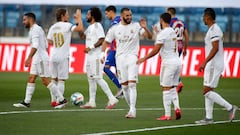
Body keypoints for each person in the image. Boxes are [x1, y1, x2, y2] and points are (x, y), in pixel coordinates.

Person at [101, 7, 152, 118]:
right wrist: (102, 54)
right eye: (127, 15)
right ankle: (131, 109)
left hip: (132, 57)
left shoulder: (136, 26)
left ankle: (133, 110)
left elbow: (149, 37)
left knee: (132, 84)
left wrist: (146, 28)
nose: (129, 17)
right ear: (122, 16)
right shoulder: (115, 28)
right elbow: (106, 41)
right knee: (124, 87)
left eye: (130, 15)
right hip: (120, 59)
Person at [13, 12, 67, 109]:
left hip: (40, 59)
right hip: (37, 58)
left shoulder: (35, 30)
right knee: (31, 78)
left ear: (30, 19)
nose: (23, 22)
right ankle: (26, 102)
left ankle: (62, 99)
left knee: (45, 81)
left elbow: (35, 45)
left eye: (25, 20)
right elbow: (45, 45)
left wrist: (29, 57)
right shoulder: (35, 29)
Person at [195, 8, 238, 124]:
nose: (202, 19)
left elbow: (215, 48)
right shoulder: (212, 29)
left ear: (208, 17)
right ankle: (209, 118)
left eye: (204, 16)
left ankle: (230, 107)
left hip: (213, 64)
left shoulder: (214, 29)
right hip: (214, 64)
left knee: (206, 91)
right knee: (208, 90)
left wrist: (204, 62)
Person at [137, 12, 181, 121]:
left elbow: (156, 50)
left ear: (161, 20)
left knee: (165, 87)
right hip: (177, 62)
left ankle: (167, 115)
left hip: (168, 63)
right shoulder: (172, 31)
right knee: (172, 87)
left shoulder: (163, 34)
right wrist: (157, 33)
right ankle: (177, 108)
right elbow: (165, 40)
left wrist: (144, 58)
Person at [78, 7, 119, 109]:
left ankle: (112, 98)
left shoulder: (97, 26)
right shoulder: (90, 27)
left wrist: (90, 47)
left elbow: (102, 39)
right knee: (91, 79)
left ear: (93, 16)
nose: (86, 16)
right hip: (90, 57)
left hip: (96, 56)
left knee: (98, 78)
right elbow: (82, 36)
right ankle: (92, 102)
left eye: (88, 14)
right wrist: (78, 21)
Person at [47, 8, 82, 107]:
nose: (68, 16)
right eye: (67, 14)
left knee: (54, 79)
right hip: (63, 56)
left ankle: (53, 101)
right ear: (62, 16)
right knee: (61, 80)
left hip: (53, 55)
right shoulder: (67, 25)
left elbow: (49, 41)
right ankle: (60, 101)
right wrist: (78, 18)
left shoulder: (53, 27)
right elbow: (79, 29)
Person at [167, 7, 189, 93]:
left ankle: (178, 82)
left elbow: (169, 35)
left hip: (174, 45)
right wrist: (185, 48)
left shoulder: (170, 22)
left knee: (171, 64)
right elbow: (186, 36)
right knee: (175, 62)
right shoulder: (181, 22)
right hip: (181, 44)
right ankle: (176, 82)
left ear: (169, 13)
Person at [104, 5, 123, 98]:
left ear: (111, 12)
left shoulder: (116, 21)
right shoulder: (117, 20)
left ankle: (120, 87)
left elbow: (115, 35)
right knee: (117, 70)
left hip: (116, 50)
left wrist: (112, 48)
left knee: (106, 68)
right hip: (114, 49)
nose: (106, 16)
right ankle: (121, 90)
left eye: (107, 13)